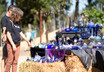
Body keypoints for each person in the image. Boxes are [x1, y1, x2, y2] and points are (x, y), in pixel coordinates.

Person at [5, 8, 31, 72]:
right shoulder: (9, 22)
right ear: (16, 15)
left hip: (18, 44)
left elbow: (20, 33)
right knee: (10, 61)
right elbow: (8, 34)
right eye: (19, 16)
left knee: (15, 61)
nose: (20, 17)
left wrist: (27, 40)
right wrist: (13, 45)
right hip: (11, 44)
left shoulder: (17, 23)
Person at [1, 5, 17, 72]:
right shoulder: (4, 18)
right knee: (4, 57)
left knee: (10, 58)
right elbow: (4, 29)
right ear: (9, 11)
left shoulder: (12, 19)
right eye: (13, 11)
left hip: (12, 40)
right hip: (6, 40)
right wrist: (4, 39)